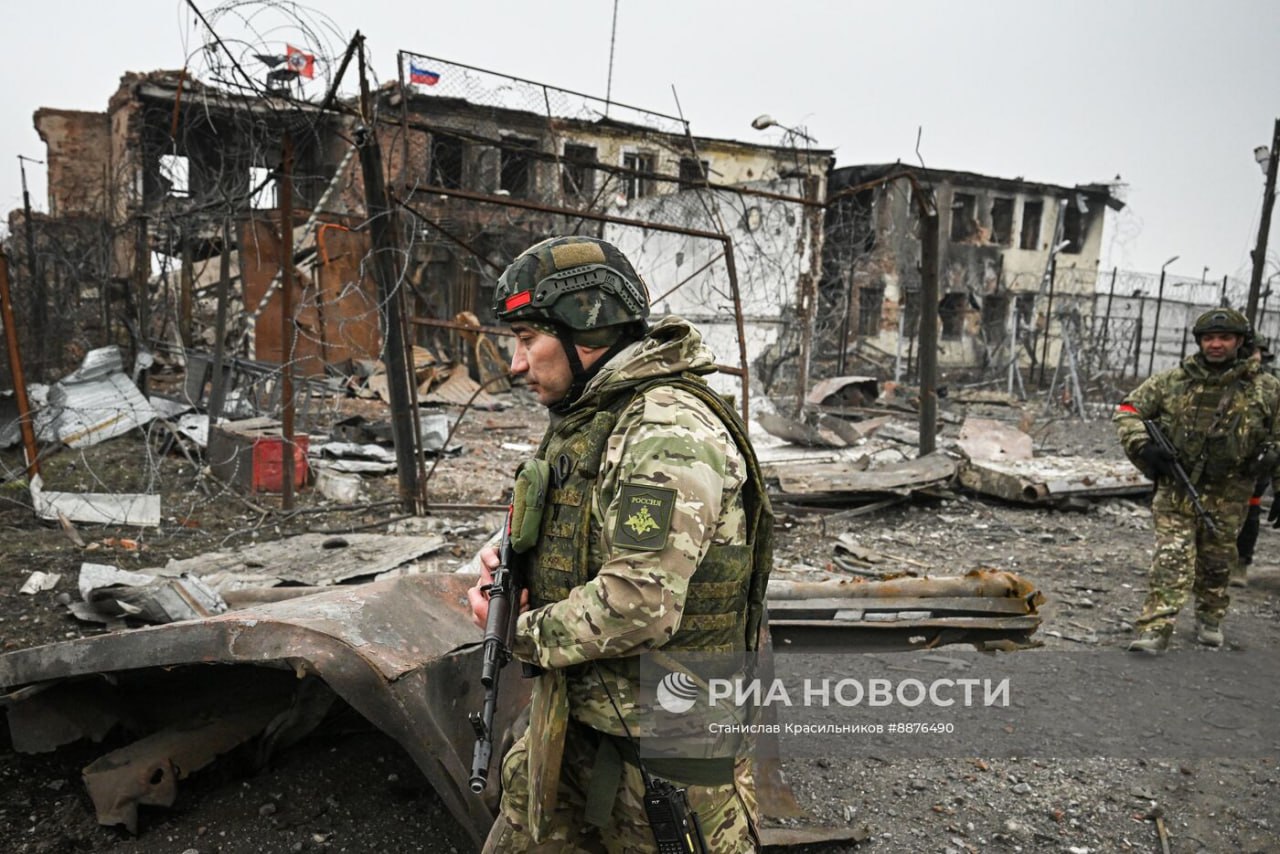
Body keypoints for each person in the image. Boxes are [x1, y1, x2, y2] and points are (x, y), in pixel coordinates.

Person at [468, 235, 772, 852]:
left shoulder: (666, 432)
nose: (516, 364)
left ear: (587, 329)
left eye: (529, 339)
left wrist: (514, 633)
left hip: (661, 759)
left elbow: (639, 605)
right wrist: (506, 559)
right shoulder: (593, 417)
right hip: (578, 725)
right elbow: (576, 528)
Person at [1114, 308, 1280, 653]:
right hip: (1177, 486)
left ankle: (1210, 614)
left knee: (1217, 561)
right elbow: (1128, 411)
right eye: (1209, 338)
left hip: (1231, 491)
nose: (1216, 344)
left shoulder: (1266, 389)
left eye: (1224, 338)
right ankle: (1156, 627)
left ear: (1240, 341)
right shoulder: (1173, 381)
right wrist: (1143, 447)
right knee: (1171, 556)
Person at [1232, 335, 1278, 586]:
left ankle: (1240, 563)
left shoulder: (1271, 383)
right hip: (1224, 456)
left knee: (1250, 509)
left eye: (1257, 351)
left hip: (1256, 459)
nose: (1254, 357)